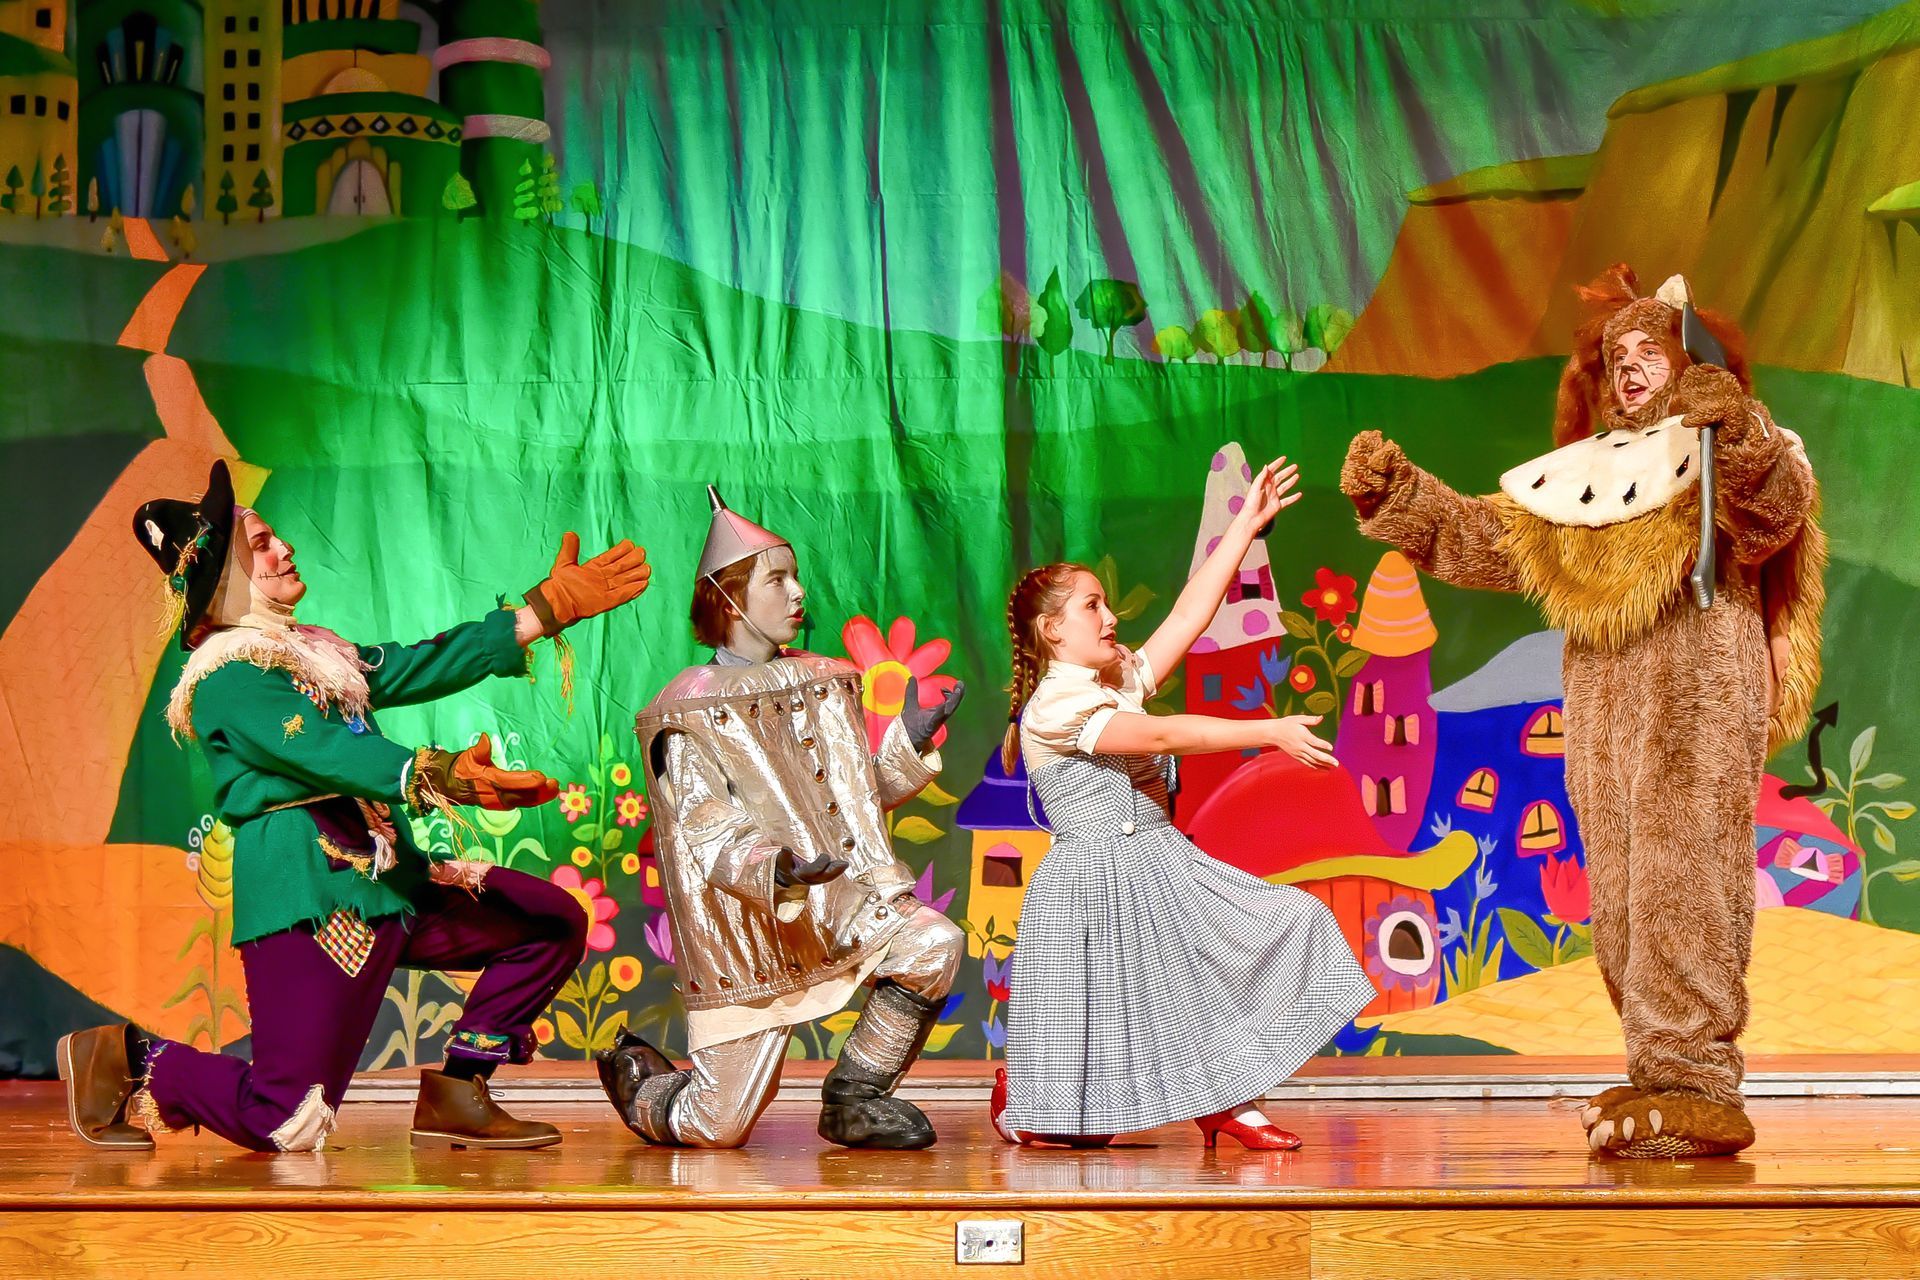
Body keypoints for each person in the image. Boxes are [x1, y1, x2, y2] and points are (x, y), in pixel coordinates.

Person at [1339, 267, 1826, 1157]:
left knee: (1683, 877)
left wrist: (1740, 434)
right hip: (1604, 704)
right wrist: (1402, 496)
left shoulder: (1731, 444)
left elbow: (1773, 514)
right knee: (1625, 892)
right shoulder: (1588, 476)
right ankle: (1659, 1077)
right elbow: (1491, 540)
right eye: (1618, 357)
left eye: (1650, 351)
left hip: (1695, 691)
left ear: (1687, 362)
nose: (1631, 368)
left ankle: (1696, 1081)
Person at [57, 460, 652, 1153]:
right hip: (317, 899)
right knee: (287, 1118)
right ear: (223, 577)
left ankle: (460, 1088)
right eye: (262, 545)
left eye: (276, 537)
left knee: (547, 922)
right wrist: (437, 774)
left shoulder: (315, 654)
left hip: (390, 883)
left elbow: (417, 662)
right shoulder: (226, 678)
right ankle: (129, 1059)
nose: (284, 550)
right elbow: (326, 752)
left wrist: (536, 615)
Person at [992, 457, 1375, 1150]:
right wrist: (1270, 730)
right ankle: (1021, 1093)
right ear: (1052, 631)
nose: (1110, 617)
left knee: (1285, 922)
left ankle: (1230, 1101)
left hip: (1158, 858)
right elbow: (1164, 734)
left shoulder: (1111, 681)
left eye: (1106, 604)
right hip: (1093, 882)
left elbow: (1188, 615)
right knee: (1073, 1133)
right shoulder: (1058, 705)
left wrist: (1246, 528)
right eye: (1092, 607)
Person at [597, 487, 967, 1150]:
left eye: (795, 576)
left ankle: (856, 1096)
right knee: (716, 1127)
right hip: (752, 930)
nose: (798, 592)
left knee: (932, 943)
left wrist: (906, 746)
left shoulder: (824, 680)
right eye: (777, 579)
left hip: (841, 906)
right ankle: (641, 1082)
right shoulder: (687, 711)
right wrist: (780, 868)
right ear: (730, 597)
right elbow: (705, 827)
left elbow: (851, 803)